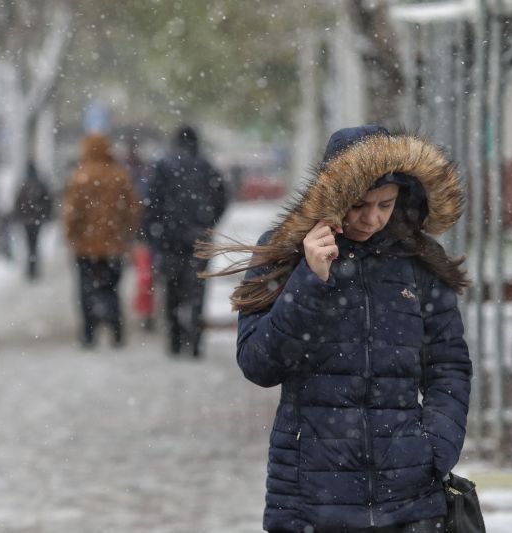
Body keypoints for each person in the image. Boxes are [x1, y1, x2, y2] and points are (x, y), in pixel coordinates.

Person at [199, 125, 472, 532]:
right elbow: (259, 364)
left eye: (386, 204)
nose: (372, 218)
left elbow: (449, 367)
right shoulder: (286, 251)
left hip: (411, 499)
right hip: (309, 497)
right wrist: (309, 280)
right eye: (360, 204)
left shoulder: (418, 262)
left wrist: (435, 448)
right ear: (334, 195)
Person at [145, 125, 228, 357]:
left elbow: (152, 203)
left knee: (172, 290)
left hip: (170, 239)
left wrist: (155, 233)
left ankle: (174, 340)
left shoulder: (163, 166)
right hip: (199, 238)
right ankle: (195, 342)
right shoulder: (207, 166)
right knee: (197, 291)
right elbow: (222, 196)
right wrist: (209, 222)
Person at [63, 132, 140, 348]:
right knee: (111, 288)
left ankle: (88, 334)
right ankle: (115, 329)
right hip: (114, 246)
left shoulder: (80, 177)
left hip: (85, 248)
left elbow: (71, 213)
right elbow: (133, 209)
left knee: (85, 291)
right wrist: (126, 232)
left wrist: (71, 237)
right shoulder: (120, 176)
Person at [124, 135, 156, 331]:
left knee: (144, 275)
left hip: (141, 233)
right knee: (146, 275)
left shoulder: (129, 174)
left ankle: (145, 310)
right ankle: (146, 310)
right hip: (146, 233)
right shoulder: (145, 173)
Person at [13, 161, 53, 279]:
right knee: (35, 243)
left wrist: (19, 216)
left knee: (29, 244)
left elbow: (18, 203)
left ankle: (31, 268)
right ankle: (34, 267)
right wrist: (45, 215)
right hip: (37, 221)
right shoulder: (40, 184)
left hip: (27, 221)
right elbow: (48, 201)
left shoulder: (23, 185)